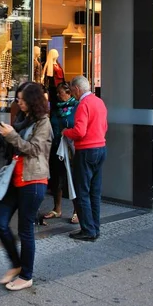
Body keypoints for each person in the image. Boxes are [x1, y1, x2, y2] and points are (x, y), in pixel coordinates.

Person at [0, 82, 52, 291]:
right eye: (17, 99)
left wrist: (11, 135)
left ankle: (26, 275)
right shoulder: (24, 118)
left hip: (33, 181)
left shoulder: (43, 122)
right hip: (15, 178)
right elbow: (15, 142)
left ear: (32, 100)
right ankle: (16, 264)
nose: (18, 103)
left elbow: (34, 149)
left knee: (25, 230)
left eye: (21, 100)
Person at [63, 76, 107, 241]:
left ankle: (88, 230)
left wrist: (65, 132)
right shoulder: (99, 102)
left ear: (77, 89)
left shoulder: (83, 104)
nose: (72, 92)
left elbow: (79, 131)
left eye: (72, 89)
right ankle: (95, 227)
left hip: (86, 150)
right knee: (95, 192)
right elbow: (104, 126)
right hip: (101, 148)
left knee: (82, 192)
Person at [44, 82, 79, 223]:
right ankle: (57, 208)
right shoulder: (55, 108)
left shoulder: (77, 107)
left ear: (69, 92)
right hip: (56, 147)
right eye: (57, 93)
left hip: (71, 149)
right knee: (57, 179)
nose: (58, 95)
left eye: (60, 93)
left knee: (73, 179)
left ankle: (77, 211)